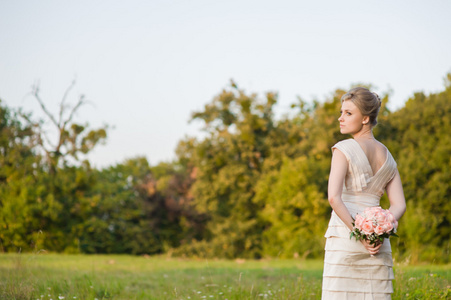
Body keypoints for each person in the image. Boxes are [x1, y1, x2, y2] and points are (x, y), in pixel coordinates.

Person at [321, 87, 406, 299]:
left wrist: (360, 235)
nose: (340, 118)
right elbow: (399, 205)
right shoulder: (388, 155)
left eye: (348, 113)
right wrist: (378, 230)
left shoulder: (344, 148)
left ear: (366, 118)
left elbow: (334, 197)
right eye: (341, 112)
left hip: (345, 236)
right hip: (378, 243)